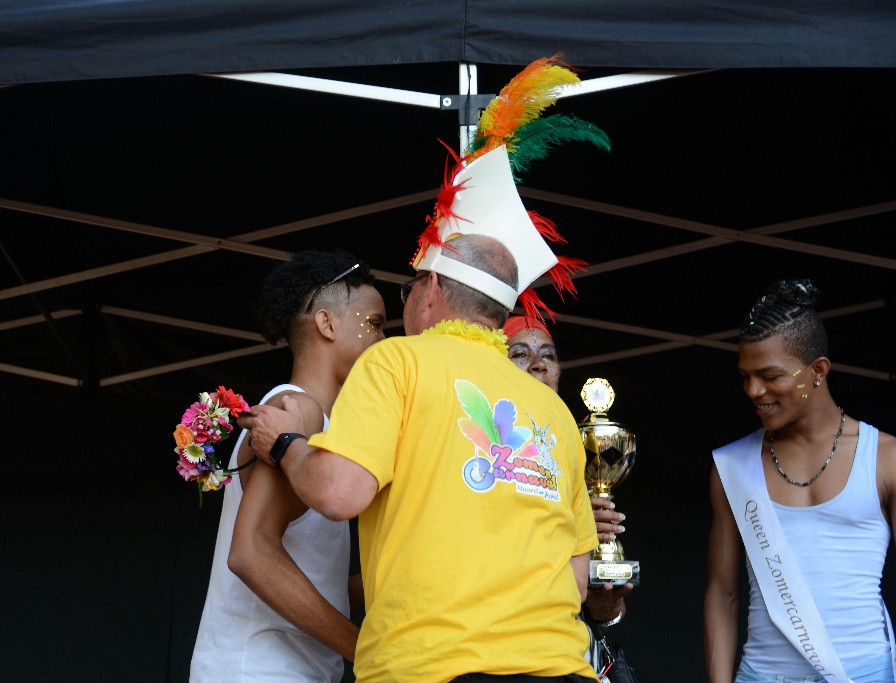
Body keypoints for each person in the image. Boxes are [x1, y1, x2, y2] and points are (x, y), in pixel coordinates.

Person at [239, 55, 613, 681]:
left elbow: (338, 491)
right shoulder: (550, 409)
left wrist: (287, 447)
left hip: (431, 668)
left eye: (410, 287)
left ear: (432, 289)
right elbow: (576, 580)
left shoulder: (398, 361)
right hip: (558, 668)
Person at [189, 249, 386, 682]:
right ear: (327, 324)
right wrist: (366, 650)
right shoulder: (299, 409)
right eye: (374, 324)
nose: (383, 341)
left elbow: (318, 578)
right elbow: (251, 554)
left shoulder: (312, 417)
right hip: (258, 669)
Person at [704, 278, 896, 683]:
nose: (754, 390)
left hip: (863, 674)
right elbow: (722, 594)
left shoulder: (886, 458)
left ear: (818, 372)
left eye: (770, 376)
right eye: (745, 376)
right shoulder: (733, 467)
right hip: (762, 675)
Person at [503, 315, 631, 627]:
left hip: (561, 649)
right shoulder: (478, 449)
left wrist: (606, 600)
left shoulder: (575, 448)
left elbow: (605, 614)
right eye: (520, 354)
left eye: (548, 355)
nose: (538, 364)